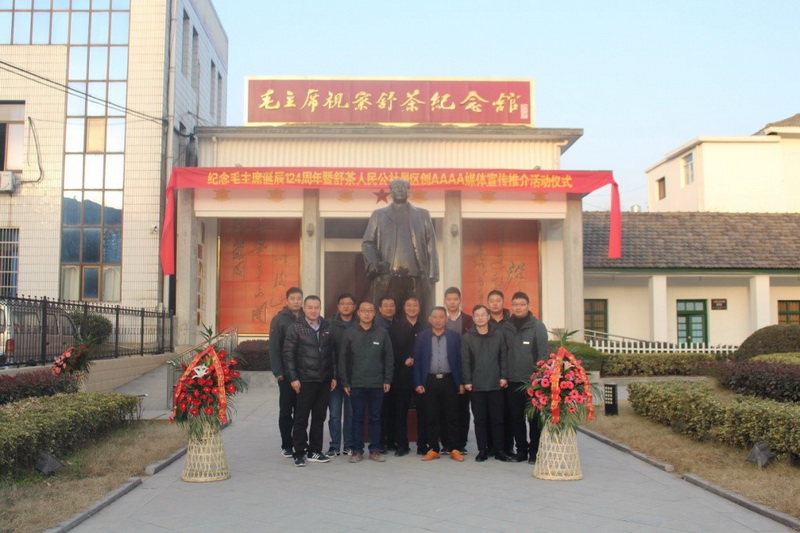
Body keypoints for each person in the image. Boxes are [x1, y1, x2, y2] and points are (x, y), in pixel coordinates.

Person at [362, 179, 438, 319]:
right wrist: (373, 263)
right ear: (390, 192)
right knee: (386, 316)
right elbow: (368, 242)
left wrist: (432, 274)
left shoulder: (423, 215)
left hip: (416, 275)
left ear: (409, 192)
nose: (400, 190)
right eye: (396, 188)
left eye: (403, 187)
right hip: (387, 275)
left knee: (419, 316)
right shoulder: (378, 215)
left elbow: (431, 244)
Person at [282, 295, 337, 467]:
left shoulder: (326, 327)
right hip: (305, 380)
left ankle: (315, 451)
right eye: (310, 307)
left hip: (324, 380)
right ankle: (299, 452)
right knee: (301, 417)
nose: (313, 310)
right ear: (304, 309)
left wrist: (334, 376)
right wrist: (293, 378)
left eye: (316, 307)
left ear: (320, 308)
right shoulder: (296, 328)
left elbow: (332, 354)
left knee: (319, 417)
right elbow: (288, 355)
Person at [339, 301, 394, 463]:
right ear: (358, 313)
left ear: (375, 313)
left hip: (377, 383)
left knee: (375, 417)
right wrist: (345, 382)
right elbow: (343, 359)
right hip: (356, 383)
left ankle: (375, 450)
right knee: (357, 417)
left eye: (370, 310)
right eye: (364, 310)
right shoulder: (350, 333)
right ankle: (357, 451)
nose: (367, 313)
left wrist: (387, 379)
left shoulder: (382, 333)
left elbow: (389, 358)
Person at [499, 291, 550, 464]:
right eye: (515, 304)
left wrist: (539, 379)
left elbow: (543, 354)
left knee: (534, 419)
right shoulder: (506, 327)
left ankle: (535, 451)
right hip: (512, 381)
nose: (518, 308)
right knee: (516, 418)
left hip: (532, 382)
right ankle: (521, 450)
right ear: (511, 306)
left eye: (522, 304)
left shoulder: (537, 326)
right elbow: (503, 353)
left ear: (528, 306)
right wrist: (504, 376)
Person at [413, 307, 465, 462]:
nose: (438, 320)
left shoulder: (454, 337)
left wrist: (461, 382)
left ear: (446, 319)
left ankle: (454, 448)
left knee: (452, 415)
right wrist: (418, 382)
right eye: (434, 317)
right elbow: (417, 361)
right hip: (429, 380)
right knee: (431, 416)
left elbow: (460, 360)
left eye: (441, 317)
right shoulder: (422, 337)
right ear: (430, 319)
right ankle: (433, 448)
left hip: (449, 380)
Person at [461, 305, 511, 462]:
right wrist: (467, 381)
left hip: (496, 384)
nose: (480, 318)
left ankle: (499, 450)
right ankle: (482, 450)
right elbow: (465, 361)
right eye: (477, 315)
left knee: (498, 419)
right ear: (473, 318)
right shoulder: (467, 337)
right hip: (477, 386)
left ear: (489, 317)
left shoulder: (498, 334)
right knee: (480, 420)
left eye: (483, 314)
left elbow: (503, 356)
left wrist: (504, 376)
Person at [389, 296, 426, 456]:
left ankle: (422, 444)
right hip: (402, 376)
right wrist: (404, 359)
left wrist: (417, 359)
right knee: (400, 413)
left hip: (421, 376)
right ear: (404, 308)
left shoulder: (425, 326)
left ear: (419, 307)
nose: (412, 308)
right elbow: (391, 350)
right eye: (409, 305)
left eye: (415, 305)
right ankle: (402, 445)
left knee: (423, 412)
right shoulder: (395, 327)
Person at [268, 287, 303, 458]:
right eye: (293, 298)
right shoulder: (279, 320)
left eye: (299, 298)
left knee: (301, 411)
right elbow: (274, 347)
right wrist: (278, 371)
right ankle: (286, 444)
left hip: (304, 373)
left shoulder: (306, 317)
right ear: (287, 300)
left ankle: (299, 442)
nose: (296, 301)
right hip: (286, 374)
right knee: (286, 410)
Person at [444, 286, 473, 454]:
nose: (452, 302)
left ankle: (461, 442)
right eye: (449, 299)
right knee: (446, 408)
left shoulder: (469, 320)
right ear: (445, 301)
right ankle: (447, 442)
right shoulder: (440, 319)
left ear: (460, 300)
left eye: (455, 299)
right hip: (445, 370)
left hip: (463, 369)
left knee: (462, 408)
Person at [327, 293, 356, 457]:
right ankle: (334, 445)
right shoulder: (329, 324)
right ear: (338, 306)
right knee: (335, 414)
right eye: (343, 303)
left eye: (349, 303)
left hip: (353, 377)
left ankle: (349, 445)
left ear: (354, 307)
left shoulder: (360, 324)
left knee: (351, 414)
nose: (346, 306)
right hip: (335, 378)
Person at [373, 295, 397, 452]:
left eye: (392, 305)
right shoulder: (376, 326)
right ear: (380, 309)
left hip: (395, 372)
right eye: (386, 305)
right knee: (381, 409)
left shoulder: (397, 324)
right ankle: (381, 440)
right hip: (380, 373)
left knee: (392, 408)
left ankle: (391, 439)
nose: (389, 308)